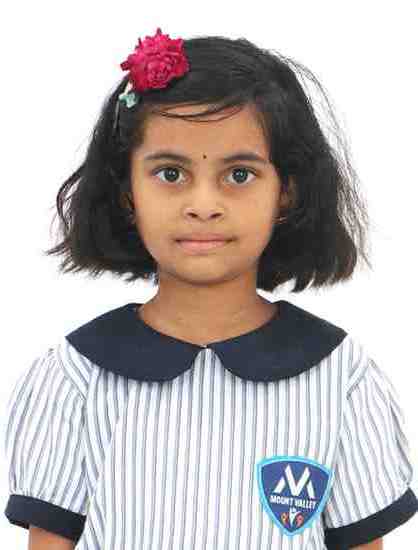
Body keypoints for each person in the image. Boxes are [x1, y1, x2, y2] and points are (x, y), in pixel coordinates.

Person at [3, 27, 417, 550]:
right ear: (127, 192)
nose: (203, 205)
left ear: (286, 193)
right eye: (170, 173)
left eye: (239, 175)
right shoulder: (74, 379)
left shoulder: (342, 379)